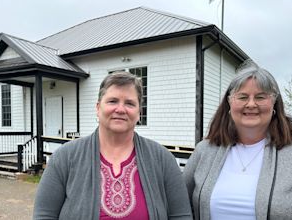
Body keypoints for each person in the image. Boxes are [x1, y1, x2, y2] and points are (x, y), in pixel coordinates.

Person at [33, 71, 192, 219]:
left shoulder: (162, 159)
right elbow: (44, 215)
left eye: (130, 103)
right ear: (98, 108)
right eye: (112, 101)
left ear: (139, 113)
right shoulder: (65, 158)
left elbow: (181, 216)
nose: (120, 109)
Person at [183, 59, 292, 220]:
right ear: (230, 103)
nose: (251, 104)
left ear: (274, 103)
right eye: (243, 97)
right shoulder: (205, 150)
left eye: (260, 97)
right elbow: (181, 205)